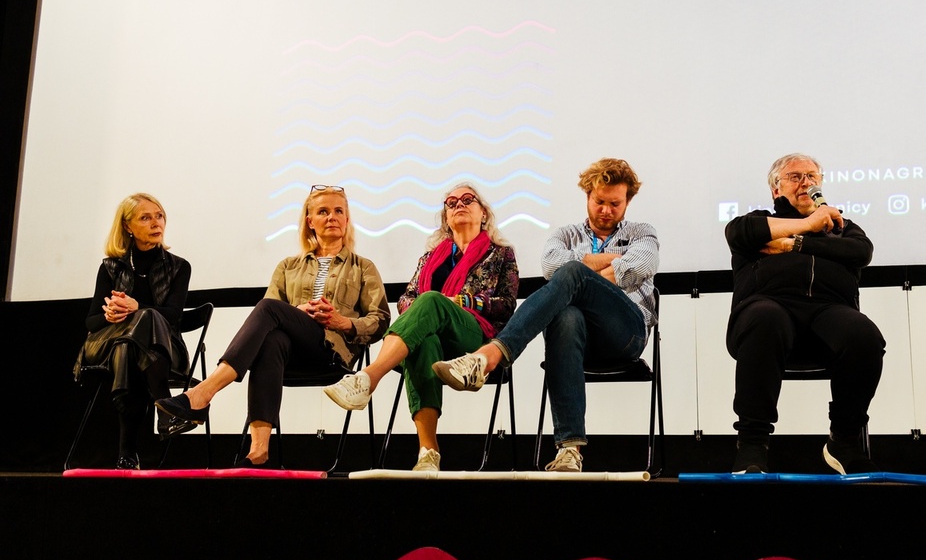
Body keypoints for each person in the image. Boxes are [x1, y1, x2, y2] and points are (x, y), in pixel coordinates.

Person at [431, 158, 659, 473]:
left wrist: (580, 272)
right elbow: (551, 266)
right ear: (587, 196)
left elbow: (637, 267)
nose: (606, 210)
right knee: (566, 316)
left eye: (615, 204)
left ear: (628, 202)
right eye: (599, 202)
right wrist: (603, 264)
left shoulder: (643, 233)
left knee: (572, 274)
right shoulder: (564, 235)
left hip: (625, 333)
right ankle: (569, 451)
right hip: (578, 339)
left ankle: (490, 355)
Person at [155, 185, 390, 466]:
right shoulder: (288, 266)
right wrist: (298, 312)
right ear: (310, 221)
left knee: (268, 307)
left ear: (347, 219)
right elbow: (266, 322)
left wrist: (342, 321)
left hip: (332, 353)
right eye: (323, 212)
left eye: (339, 211)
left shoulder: (363, 267)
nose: (332, 217)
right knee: (271, 340)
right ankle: (258, 452)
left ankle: (202, 393)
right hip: (290, 354)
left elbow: (380, 321)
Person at [323, 184, 519, 472]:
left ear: (484, 213)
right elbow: (406, 298)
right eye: (451, 203)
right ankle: (428, 452)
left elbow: (507, 304)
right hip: (434, 337)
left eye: (468, 200)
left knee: (431, 300)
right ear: (446, 218)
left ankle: (368, 377)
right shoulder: (431, 257)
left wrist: (461, 301)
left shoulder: (500, 254)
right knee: (423, 341)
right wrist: (426, 310)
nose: (459, 205)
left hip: (476, 337)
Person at [724, 153, 885, 475]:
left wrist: (795, 244)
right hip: (769, 311)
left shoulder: (842, 228)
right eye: (795, 177)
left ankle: (844, 441)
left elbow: (860, 252)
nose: (806, 183)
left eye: (812, 177)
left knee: (864, 335)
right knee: (765, 318)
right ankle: (752, 445)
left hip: (829, 314)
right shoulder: (757, 223)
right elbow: (738, 232)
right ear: (776, 189)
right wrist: (808, 225)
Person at [74, 193, 192, 469]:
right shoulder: (110, 267)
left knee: (132, 343)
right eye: (145, 218)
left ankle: (127, 453)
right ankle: (166, 408)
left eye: (159, 216)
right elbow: (91, 323)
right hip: (104, 347)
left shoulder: (179, 267)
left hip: (162, 347)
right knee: (131, 336)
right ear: (127, 226)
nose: (156, 223)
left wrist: (137, 307)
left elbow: (173, 316)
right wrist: (109, 315)